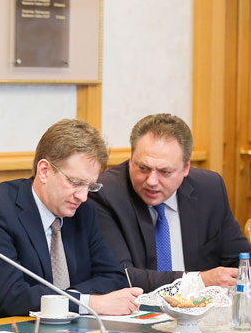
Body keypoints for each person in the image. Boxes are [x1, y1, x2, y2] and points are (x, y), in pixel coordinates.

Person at [0, 120, 140, 323]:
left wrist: (66, 300)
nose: (83, 196)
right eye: (76, 182)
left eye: (90, 186)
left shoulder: (84, 212)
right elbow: (10, 296)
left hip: (67, 329)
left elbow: (114, 278)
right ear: (44, 171)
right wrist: (90, 303)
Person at [91, 114, 251, 292]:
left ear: (186, 168)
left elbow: (241, 261)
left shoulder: (210, 189)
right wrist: (198, 281)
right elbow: (122, 276)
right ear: (131, 160)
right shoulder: (106, 194)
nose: (152, 181)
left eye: (165, 172)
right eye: (143, 168)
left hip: (204, 306)